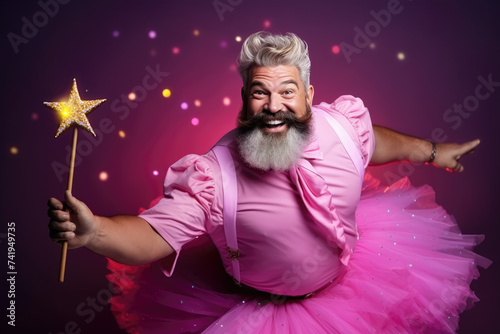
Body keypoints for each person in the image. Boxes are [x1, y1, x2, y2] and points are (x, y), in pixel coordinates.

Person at [48, 32, 490, 333]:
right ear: (244, 98)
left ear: (309, 97)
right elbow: (150, 236)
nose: (273, 106)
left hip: (355, 282)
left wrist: (432, 151)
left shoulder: (340, 124)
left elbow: (373, 142)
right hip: (262, 311)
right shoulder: (213, 176)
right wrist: (96, 232)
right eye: (260, 92)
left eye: (287, 92)